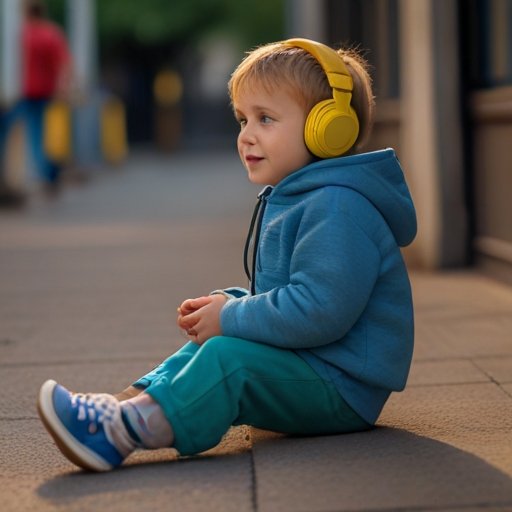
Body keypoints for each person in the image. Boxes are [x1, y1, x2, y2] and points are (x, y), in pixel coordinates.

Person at [37, 38, 417, 472]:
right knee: (224, 332)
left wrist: (233, 315)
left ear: (327, 129)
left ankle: (120, 433)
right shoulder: (301, 197)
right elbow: (293, 298)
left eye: (266, 119)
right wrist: (231, 307)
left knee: (228, 356)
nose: (246, 135)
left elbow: (319, 310)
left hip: (341, 388)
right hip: (312, 364)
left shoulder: (337, 208)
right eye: (242, 119)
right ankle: (128, 403)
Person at [0, 0, 72, 190]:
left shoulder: (20, 34)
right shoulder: (51, 33)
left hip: (21, 93)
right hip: (44, 92)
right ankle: (49, 172)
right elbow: (65, 64)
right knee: (37, 135)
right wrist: (63, 88)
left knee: (7, 127)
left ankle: (44, 172)